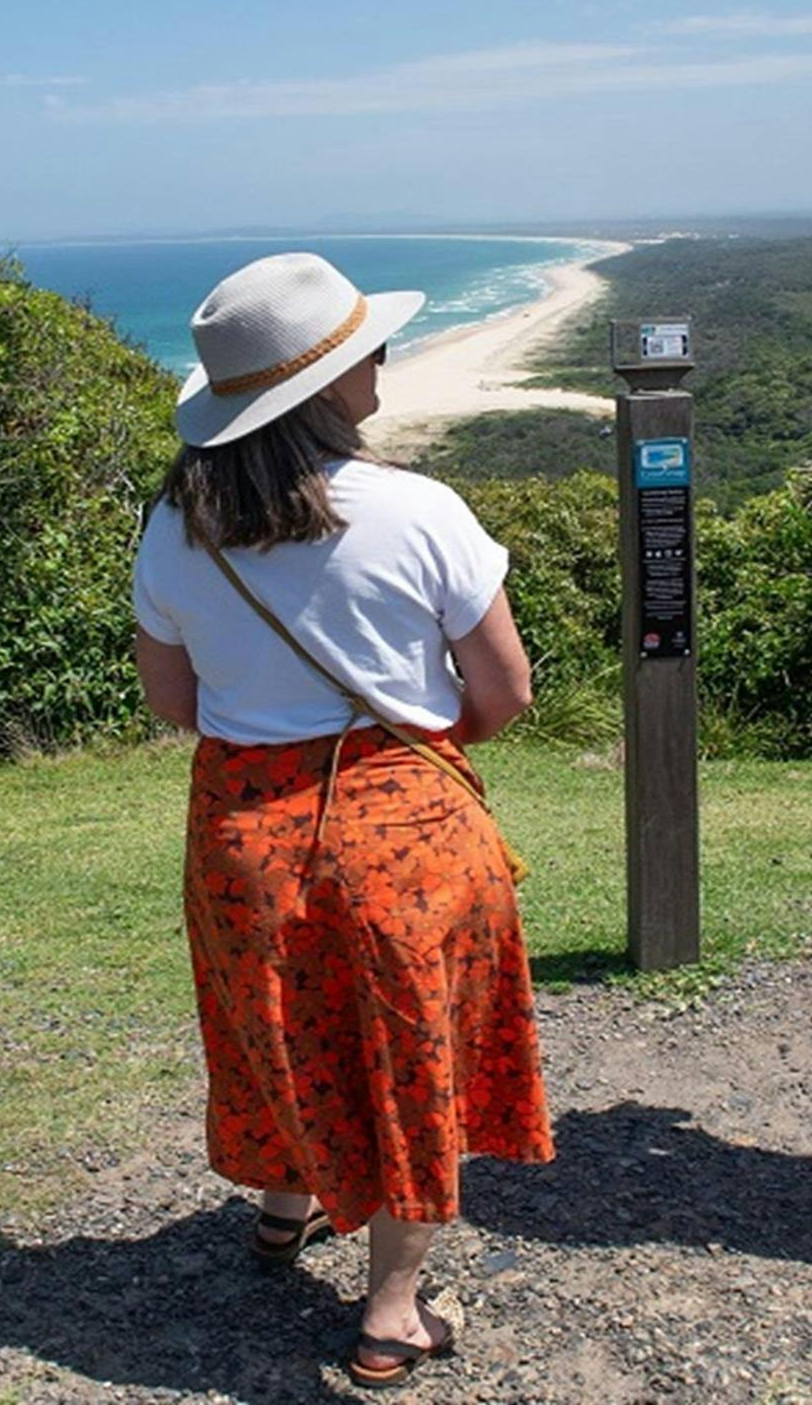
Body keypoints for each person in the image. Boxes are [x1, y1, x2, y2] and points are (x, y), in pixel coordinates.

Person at [132, 251, 552, 1388]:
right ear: (320, 387)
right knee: (409, 1055)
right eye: (365, 346)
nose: (381, 357)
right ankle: (391, 1313)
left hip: (240, 827)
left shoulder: (175, 527)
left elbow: (175, 703)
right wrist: (398, 754)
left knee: (275, 1019)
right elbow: (502, 694)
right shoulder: (419, 511)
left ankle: (284, 1209)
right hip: (406, 827)